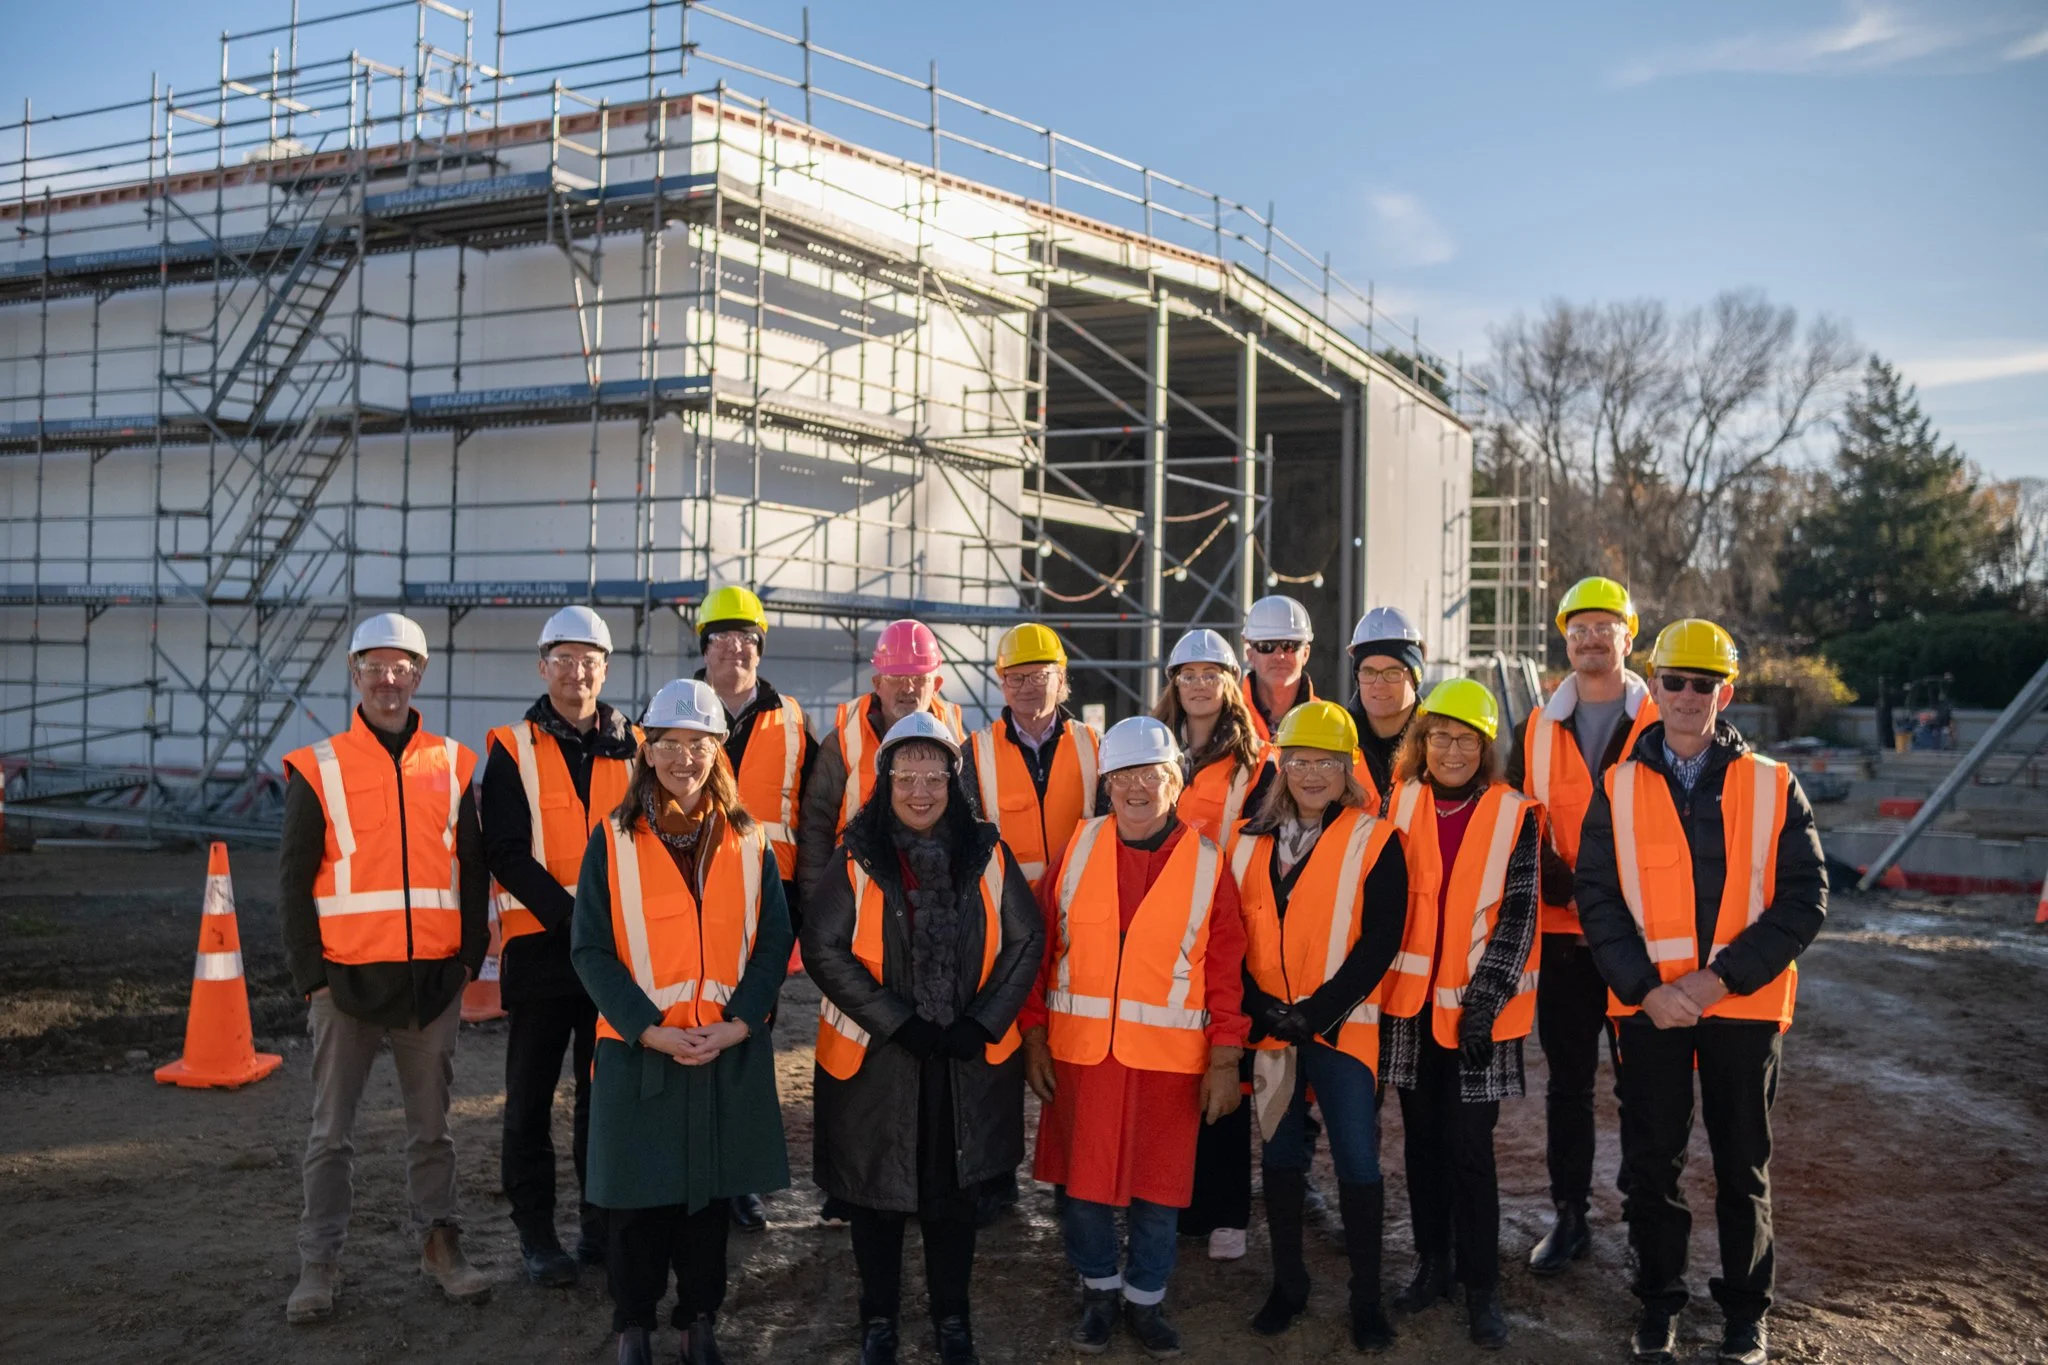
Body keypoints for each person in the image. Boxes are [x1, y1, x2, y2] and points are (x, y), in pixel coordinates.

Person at [1573, 620, 1826, 1365]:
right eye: (1673, 680)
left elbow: (1805, 898)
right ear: (1652, 686)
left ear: (1727, 691)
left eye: (1701, 682)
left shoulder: (1774, 782)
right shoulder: (1617, 786)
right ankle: (1658, 1303)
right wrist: (1647, 989)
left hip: (1740, 1008)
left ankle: (1746, 1312)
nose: (1686, 694)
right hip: (1651, 1010)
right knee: (1653, 1164)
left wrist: (1719, 978)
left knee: (1743, 1161)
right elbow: (1598, 897)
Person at [803, 712, 1044, 1365]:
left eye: (933, 776)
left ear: (951, 781)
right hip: (878, 1062)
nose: (919, 790)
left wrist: (983, 1020)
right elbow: (822, 947)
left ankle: (952, 1319)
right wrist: (895, 1018)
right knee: (876, 1201)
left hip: (962, 1062)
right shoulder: (858, 852)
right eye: (905, 776)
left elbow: (1027, 938)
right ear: (885, 782)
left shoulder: (986, 850)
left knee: (952, 1203)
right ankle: (878, 1319)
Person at [570, 678, 792, 1365]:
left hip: (722, 1049)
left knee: (706, 1204)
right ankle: (632, 1325)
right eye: (667, 743)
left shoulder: (751, 841)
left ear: (718, 751)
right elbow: (590, 949)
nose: (682, 758)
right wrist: (648, 1028)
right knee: (637, 1205)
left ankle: (700, 1319)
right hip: (644, 1052)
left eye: (697, 744)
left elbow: (774, 944)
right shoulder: (612, 839)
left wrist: (740, 1024)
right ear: (647, 750)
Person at [279, 613, 491, 1324]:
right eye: (374, 665)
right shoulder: (318, 768)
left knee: (432, 1130)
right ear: (354, 673)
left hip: (431, 985)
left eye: (402, 666)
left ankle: (441, 1247)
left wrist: (467, 959)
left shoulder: (455, 764)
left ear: (420, 675)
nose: (388, 678)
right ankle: (319, 1263)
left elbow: (473, 868)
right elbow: (292, 880)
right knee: (330, 1134)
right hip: (342, 985)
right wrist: (312, 977)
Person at [1019, 716, 1248, 1357]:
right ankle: (1098, 1292)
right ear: (1107, 784)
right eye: (1124, 776)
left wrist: (1225, 1059)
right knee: (1085, 1189)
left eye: (1151, 774)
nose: (1137, 788)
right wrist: (1033, 1036)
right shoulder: (1080, 847)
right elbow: (1040, 948)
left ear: (1175, 780)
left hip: (1169, 1062)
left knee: (1157, 1191)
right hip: (1082, 1056)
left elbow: (1226, 970)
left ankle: (1146, 1301)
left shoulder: (1208, 865)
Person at [1229, 700, 1410, 1353]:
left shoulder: (1377, 839)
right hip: (1274, 1029)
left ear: (1347, 767)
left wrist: (1316, 1012)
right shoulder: (1247, 838)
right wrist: (1261, 1007)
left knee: (1357, 1160)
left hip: (1341, 1031)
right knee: (1278, 1156)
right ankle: (1289, 1284)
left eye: (1325, 762)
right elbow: (1232, 935)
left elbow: (1379, 942)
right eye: (1298, 760)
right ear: (1280, 765)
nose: (1310, 773)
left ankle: (1367, 1298)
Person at [1380, 678, 1541, 1351]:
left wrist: (1485, 1001)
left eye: (1465, 738)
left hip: (1481, 1021)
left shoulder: (1516, 813)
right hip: (1412, 1009)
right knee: (1421, 1144)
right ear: (1421, 741)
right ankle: (1433, 1265)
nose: (1451, 749)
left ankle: (1483, 1287)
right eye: (1439, 735)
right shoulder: (1404, 800)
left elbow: (1520, 914)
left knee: (1471, 1151)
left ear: (1486, 746)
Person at [481, 605, 640, 1285]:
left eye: (590, 660)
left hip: (617, 957)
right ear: (543, 665)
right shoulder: (512, 747)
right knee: (530, 1100)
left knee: (604, 1098)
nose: (578, 673)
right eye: (564, 659)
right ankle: (538, 1234)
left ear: (606, 668)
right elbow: (507, 853)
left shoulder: (636, 745)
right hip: (545, 954)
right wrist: (577, 918)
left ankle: (599, 1226)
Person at [1504, 577, 1658, 1276]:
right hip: (1564, 939)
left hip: (1640, 937)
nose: (1591, 638)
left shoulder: (1662, 722)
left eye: (1605, 626)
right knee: (1569, 1084)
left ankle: (1643, 1213)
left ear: (1630, 636)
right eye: (1579, 627)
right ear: (1563, 637)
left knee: (1641, 1086)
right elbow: (1514, 815)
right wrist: (1557, 878)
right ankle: (1570, 1216)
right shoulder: (1536, 726)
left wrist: (1605, 889)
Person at [796, 617, 968, 1228]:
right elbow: (816, 824)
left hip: (927, 916)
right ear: (876, 677)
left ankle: (920, 1175)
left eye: (917, 677)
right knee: (851, 1050)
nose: (905, 687)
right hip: (856, 915)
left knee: (920, 1044)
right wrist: (820, 913)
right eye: (895, 676)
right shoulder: (843, 734)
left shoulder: (956, 732)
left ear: (937, 680)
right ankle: (848, 1183)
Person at [692, 584, 819, 1233]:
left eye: (746, 638)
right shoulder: (672, 717)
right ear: (704, 647)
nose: (734, 648)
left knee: (747, 1049)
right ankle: (694, 1173)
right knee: (691, 1040)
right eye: (721, 637)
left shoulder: (795, 722)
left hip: (766, 919)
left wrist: (801, 913)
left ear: (760, 648)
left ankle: (739, 1183)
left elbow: (816, 823)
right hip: (687, 921)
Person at [1152, 628, 1274, 1261]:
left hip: (1233, 937)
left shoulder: (1257, 764)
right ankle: (1179, 1199)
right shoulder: (1152, 750)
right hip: (1164, 934)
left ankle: (1227, 1208)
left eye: (1210, 673)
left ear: (1231, 682)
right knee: (1173, 1076)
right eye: (1186, 673)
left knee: (1229, 1076)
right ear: (1172, 683)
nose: (1197, 684)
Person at [963, 623, 1101, 886]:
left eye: (1038, 676)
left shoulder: (1095, 745)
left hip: (1078, 899)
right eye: (1016, 677)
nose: (1026, 687)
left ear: (1060, 678)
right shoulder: (973, 754)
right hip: (1007, 907)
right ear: (1003, 683)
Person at [1345, 606, 1424, 813]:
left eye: (1392, 672)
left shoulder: (1439, 744)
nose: (1379, 684)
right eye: (1369, 672)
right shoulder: (1335, 740)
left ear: (1415, 678)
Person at [1239, 595, 1316, 740]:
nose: (1279, 656)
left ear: (1305, 653)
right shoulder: (1228, 722)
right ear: (1250, 656)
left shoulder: (1327, 722)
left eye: (1290, 646)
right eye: (1267, 646)